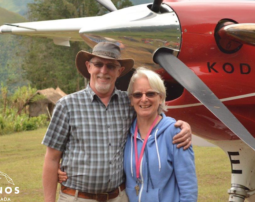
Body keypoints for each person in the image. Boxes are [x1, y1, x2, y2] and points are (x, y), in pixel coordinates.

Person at [42, 42, 192, 202]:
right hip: (77, 197)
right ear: (88, 66)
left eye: (111, 66)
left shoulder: (129, 102)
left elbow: (155, 115)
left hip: (118, 197)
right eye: (98, 64)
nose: (104, 71)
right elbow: (51, 158)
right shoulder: (67, 105)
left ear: (119, 71)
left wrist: (184, 126)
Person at [124, 67, 198, 202]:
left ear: (161, 97)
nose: (144, 99)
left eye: (151, 94)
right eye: (137, 94)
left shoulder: (174, 132)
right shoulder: (125, 133)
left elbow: (188, 187)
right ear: (131, 100)